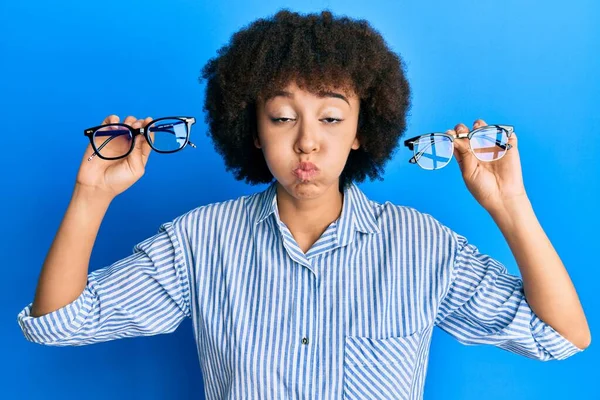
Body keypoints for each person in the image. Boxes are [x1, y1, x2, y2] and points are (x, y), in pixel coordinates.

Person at [17, 9, 590, 400]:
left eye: (332, 117)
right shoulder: (200, 241)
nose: (307, 141)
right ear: (253, 128)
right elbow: (58, 325)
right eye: (283, 117)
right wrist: (92, 194)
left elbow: (561, 337)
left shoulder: (424, 245)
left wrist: (508, 202)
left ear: (363, 130)